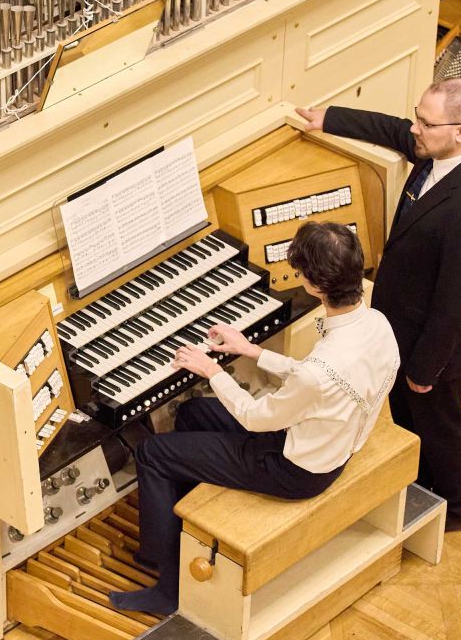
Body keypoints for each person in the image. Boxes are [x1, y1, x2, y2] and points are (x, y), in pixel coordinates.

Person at [109, 222, 399, 616]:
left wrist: (213, 371)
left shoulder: (319, 372)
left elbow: (254, 417)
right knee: (193, 413)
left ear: (315, 285)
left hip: (294, 469)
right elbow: (316, 378)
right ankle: (175, 530)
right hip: (331, 441)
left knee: (152, 453)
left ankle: (167, 588)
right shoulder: (377, 323)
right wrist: (251, 351)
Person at [295, 77, 461, 533]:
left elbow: (455, 303)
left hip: (433, 345)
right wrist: (331, 118)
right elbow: (394, 130)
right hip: (402, 324)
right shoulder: (439, 148)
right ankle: (421, 484)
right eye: (418, 117)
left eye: (425, 124)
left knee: (439, 424)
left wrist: (425, 369)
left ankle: (458, 508)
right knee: (409, 418)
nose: (414, 129)